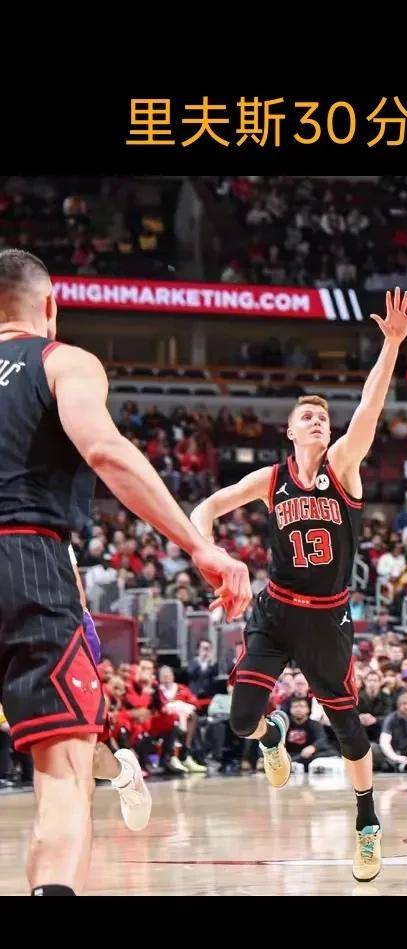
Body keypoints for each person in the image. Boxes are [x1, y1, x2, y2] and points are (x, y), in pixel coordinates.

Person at [0, 249, 250, 896]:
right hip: (26, 557)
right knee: (62, 773)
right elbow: (106, 451)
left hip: (35, 561)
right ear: (50, 306)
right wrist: (199, 546)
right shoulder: (62, 361)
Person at [190, 287, 407, 883]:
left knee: (349, 732)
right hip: (275, 612)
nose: (318, 421)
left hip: (327, 619)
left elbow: (370, 406)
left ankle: (367, 822)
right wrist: (212, 555)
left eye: (323, 417)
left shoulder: (343, 466)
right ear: (290, 431)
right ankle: (274, 735)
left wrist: (392, 345)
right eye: (307, 417)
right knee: (240, 719)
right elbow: (206, 508)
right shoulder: (271, 480)